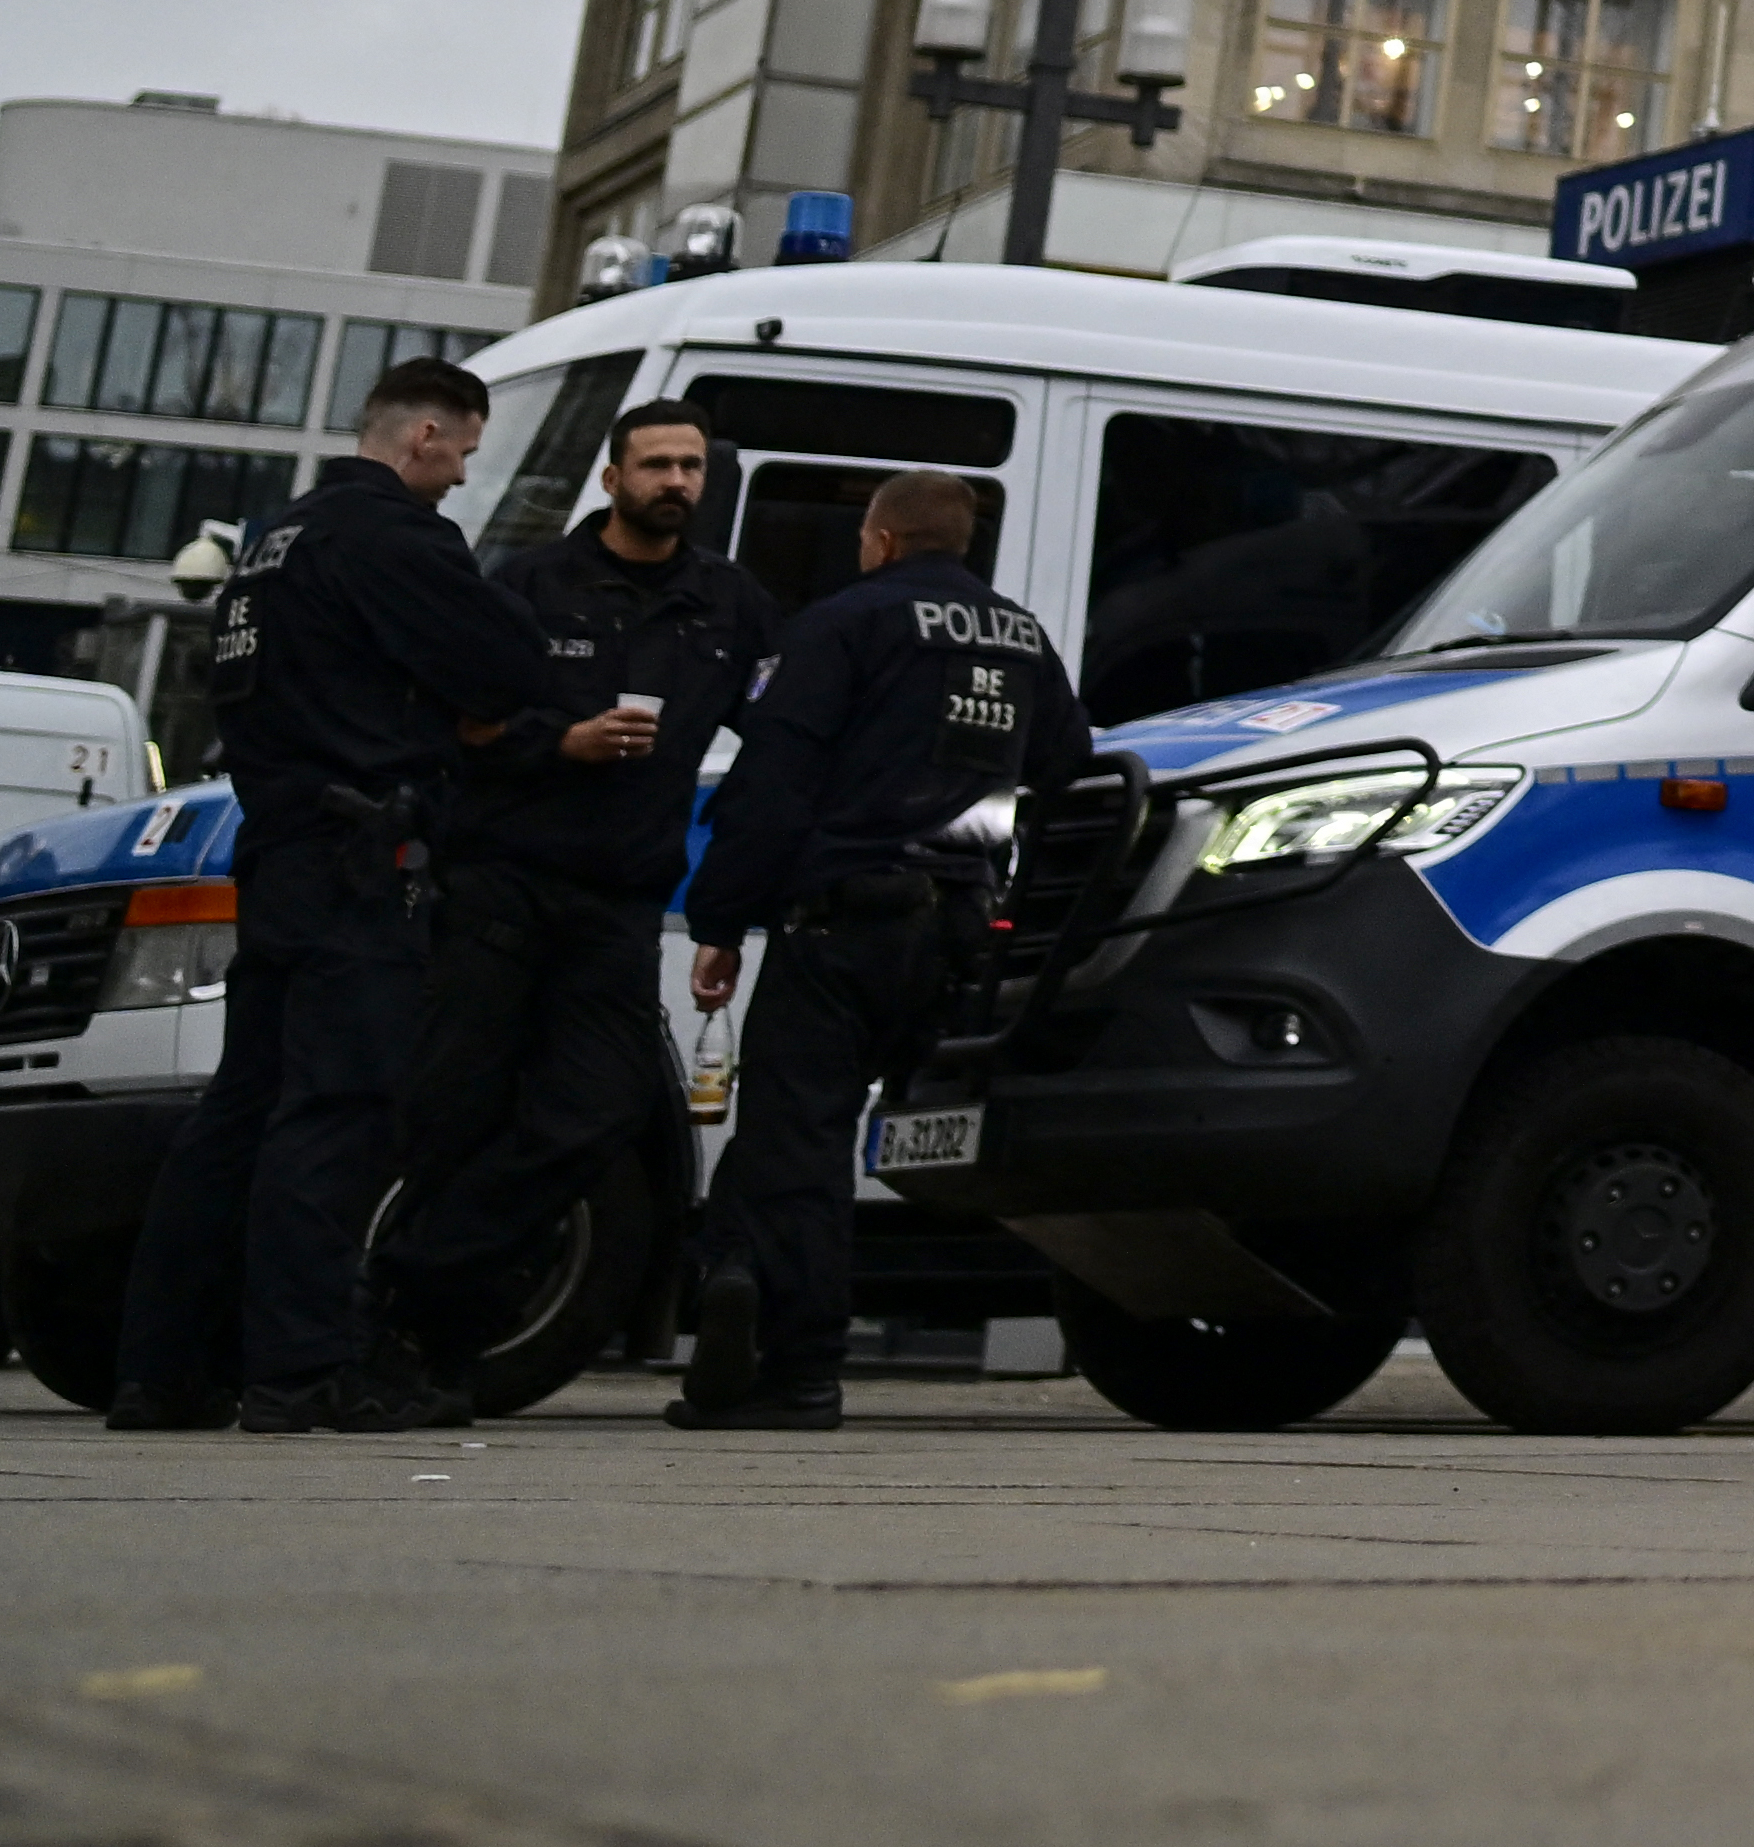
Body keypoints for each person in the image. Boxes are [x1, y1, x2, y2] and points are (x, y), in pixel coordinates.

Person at [109, 356, 601, 1434]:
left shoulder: (272, 543)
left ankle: (163, 1367)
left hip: (281, 846)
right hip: (361, 856)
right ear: (424, 434)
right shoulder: (391, 536)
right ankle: (302, 1368)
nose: (463, 478)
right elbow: (511, 659)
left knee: (238, 1115)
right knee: (338, 1114)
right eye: (464, 453)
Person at [370, 400, 780, 1397]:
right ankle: (413, 1346)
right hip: (503, 886)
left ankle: (414, 1286)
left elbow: (775, 744)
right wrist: (560, 741)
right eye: (656, 465)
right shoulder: (530, 583)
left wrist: (732, 900)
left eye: (690, 465)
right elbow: (452, 726)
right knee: (452, 1109)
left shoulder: (730, 604)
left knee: (597, 1114)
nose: (676, 482)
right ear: (612, 478)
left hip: (620, 905)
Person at [671, 468, 1088, 1429]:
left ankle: (799, 1369)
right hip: (960, 932)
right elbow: (1068, 771)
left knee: (797, 1142)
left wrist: (721, 924)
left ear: (885, 540)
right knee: (818, 1132)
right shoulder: (1022, 638)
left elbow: (772, 785)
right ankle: (739, 1280)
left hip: (847, 922)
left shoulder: (843, 625)